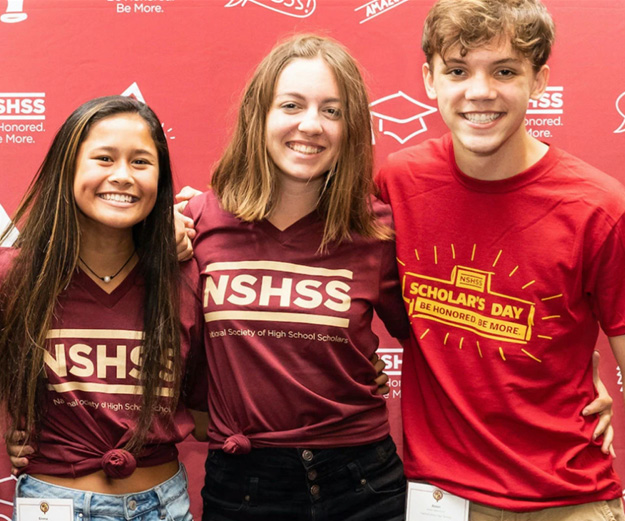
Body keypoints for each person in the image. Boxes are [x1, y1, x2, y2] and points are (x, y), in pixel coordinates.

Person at [374, 0, 625, 519]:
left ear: (539, 81)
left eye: (505, 70)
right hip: (439, 496)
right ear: (429, 79)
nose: (480, 92)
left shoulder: (598, 207)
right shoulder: (396, 183)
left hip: (568, 500)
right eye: (458, 70)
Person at [175, 34, 410, 521]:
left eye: (332, 110)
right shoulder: (197, 222)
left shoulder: (377, 229)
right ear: (258, 116)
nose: (310, 125)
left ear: (351, 128)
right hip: (244, 484)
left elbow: (443, 341)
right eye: (291, 105)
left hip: (363, 480)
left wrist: (575, 381)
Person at [0, 96, 204, 521]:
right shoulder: (14, 277)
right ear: (68, 168)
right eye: (104, 158)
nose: (123, 176)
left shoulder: (185, 278)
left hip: (163, 505)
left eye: (141, 162)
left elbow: (210, 407)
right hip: (51, 505)